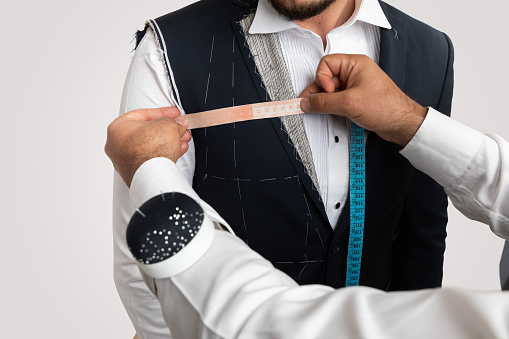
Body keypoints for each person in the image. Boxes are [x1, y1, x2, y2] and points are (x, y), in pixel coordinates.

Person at [106, 54, 508, 339]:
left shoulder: (429, 48)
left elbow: (256, 327)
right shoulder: (168, 49)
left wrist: (149, 169)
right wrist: (409, 121)